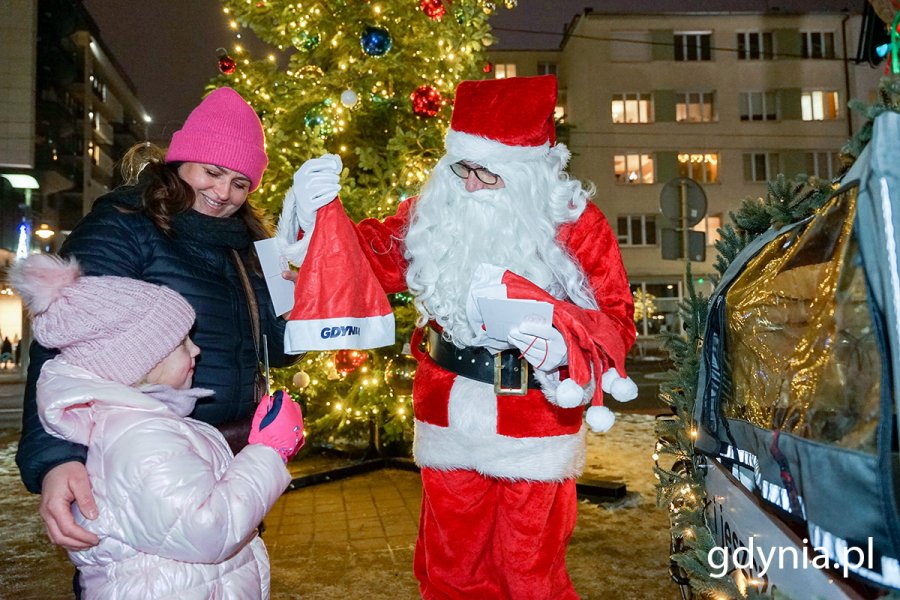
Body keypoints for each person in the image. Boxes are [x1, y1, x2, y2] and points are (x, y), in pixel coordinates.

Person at [284, 75, 637, 599]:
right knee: (451, 568)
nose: (470, 185)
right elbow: (370, 258)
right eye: (462, 168)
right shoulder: (434, 212)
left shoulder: (576, 225)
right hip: (446, 409)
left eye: (487, 174)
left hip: (536, 418)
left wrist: (566, 342)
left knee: (530, 572)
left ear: (526, 176)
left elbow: (617, 319)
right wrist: (317, 218)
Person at [15, 87, 296, 560]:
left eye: (240, 182)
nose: (223, 193)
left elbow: (280, 349)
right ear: (181, 162)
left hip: (226, 457)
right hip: (142, 460)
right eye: (212, 172)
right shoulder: (125, 226)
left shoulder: (248, 243)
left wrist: (301, 302)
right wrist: (55, 460)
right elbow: (59, 343)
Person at [10, 253, 304, 598]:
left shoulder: (149, 421)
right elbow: (208, 530)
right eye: (180, 344)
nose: (196, 350)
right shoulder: (141, 438)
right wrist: (268, 451)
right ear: (137, 363)